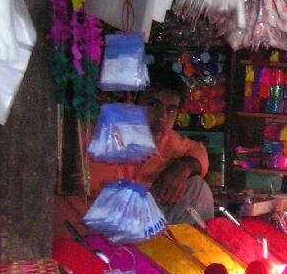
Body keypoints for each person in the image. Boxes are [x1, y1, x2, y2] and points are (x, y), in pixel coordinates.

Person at [89, 65, 214, 224]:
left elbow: (198, 151)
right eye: (153, 105)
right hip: (91, 228)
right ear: (132, 102)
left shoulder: (168, 140)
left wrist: (181, 168)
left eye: (170, 110)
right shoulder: (99, 135)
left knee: (197, 188)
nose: (162, 118)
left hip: (137, 227)